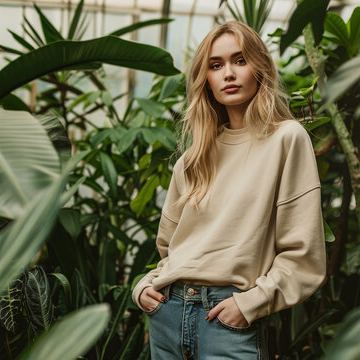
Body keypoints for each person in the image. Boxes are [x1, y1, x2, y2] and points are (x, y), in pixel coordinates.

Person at [132, 20, 326, 359]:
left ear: (260, 67)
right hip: (167, 313)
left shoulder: (287, 139)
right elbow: (170, 249)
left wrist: (250, 303)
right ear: (205, 79)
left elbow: (304, 255)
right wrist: (144, 288)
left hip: (229, 320)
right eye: (216, 65)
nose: (229, 74)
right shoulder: (192, 160)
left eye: (240, 60)